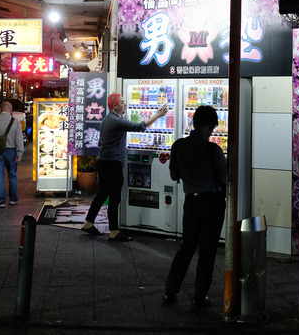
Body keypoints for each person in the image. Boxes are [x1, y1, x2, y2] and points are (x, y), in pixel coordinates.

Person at [163, 105, 226, 308]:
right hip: (212, 203)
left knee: (186, 247)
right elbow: (225, 179)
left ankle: (170, 290)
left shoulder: (178, 145)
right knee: (207, 250)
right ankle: (199, 296)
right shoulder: (212, 149)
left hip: (191, 202)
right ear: (210, 126)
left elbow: (173, 175)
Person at [81, 93, 168, 242]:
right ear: (115, 106)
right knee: (114, 197)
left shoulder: (108, 120)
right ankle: (114, 231)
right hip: (112, 163)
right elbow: (139, 127)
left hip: (104, 161)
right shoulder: (115, 121)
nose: (125, 104)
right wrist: (157, 115)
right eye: (122, 102)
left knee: (102, 194)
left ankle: (89, 223)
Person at [0, 100, 25, 208]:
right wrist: (19, 152)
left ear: (0, 109)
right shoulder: (15, 121)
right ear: (10, 110)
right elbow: (19, 138)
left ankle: (1, 200)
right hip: (11, 151)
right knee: (12, 174)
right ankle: (13, 198)